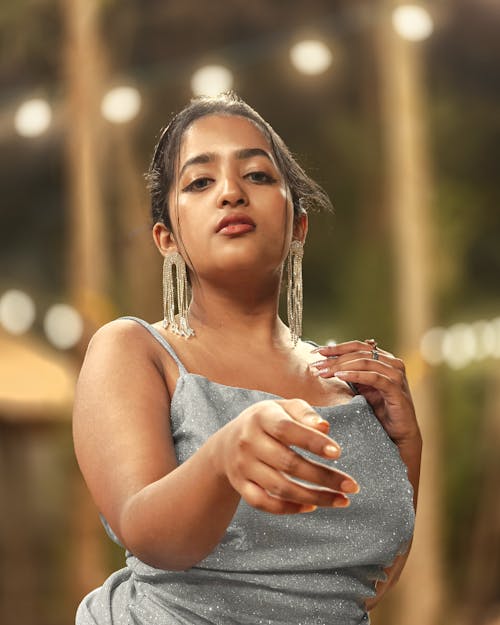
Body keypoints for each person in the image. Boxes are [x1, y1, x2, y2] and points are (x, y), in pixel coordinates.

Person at [73, 92, 421, 625]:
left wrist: (407, 449)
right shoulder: (135, 350)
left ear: (298, 226)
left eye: (257, 176)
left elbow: (360, 581)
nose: (232, 193)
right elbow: (145, 532)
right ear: (168, 238)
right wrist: (222, 457)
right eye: (200, 182)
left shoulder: (350, 384)